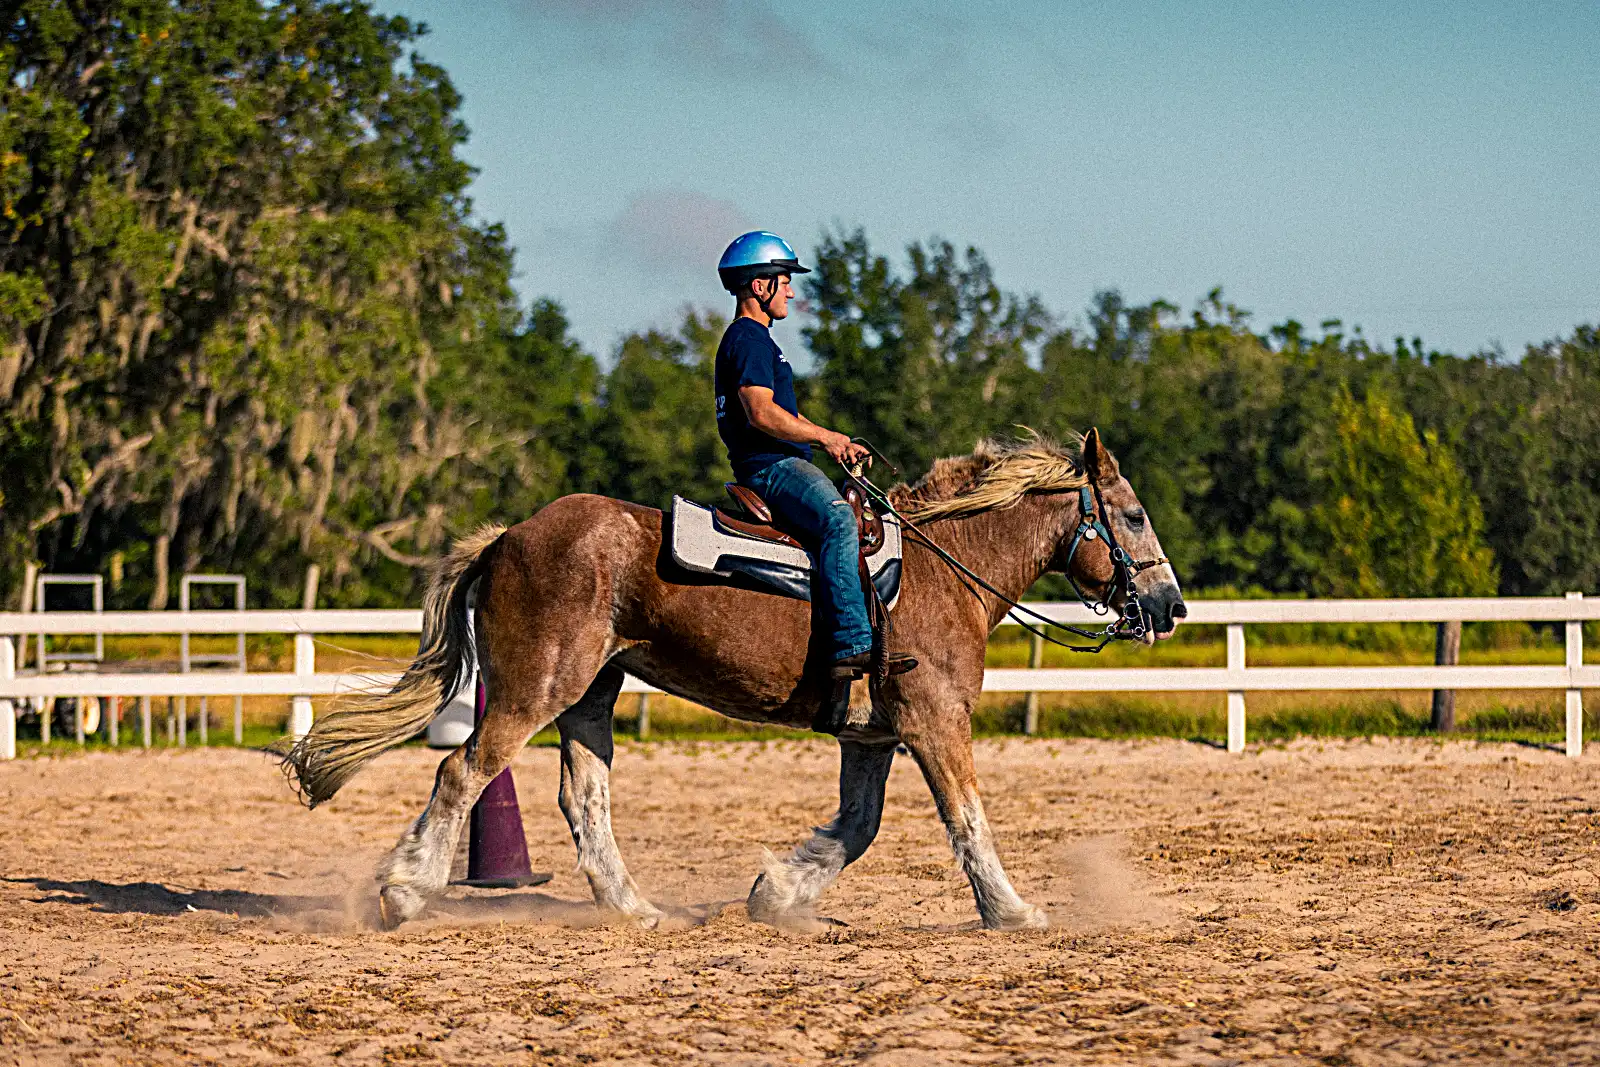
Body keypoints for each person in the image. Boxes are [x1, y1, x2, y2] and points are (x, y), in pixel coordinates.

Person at [713, 231, 917, 682]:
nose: (790, 290)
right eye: (784, 281)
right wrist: (825, 439)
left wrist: (835, 440)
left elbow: (784, 413)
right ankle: (851, 642)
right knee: (838, 519)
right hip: (772, 468)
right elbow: (762, 413)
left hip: (782, 463)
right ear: (760, 286)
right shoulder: (749, 339)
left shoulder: (757, 341)